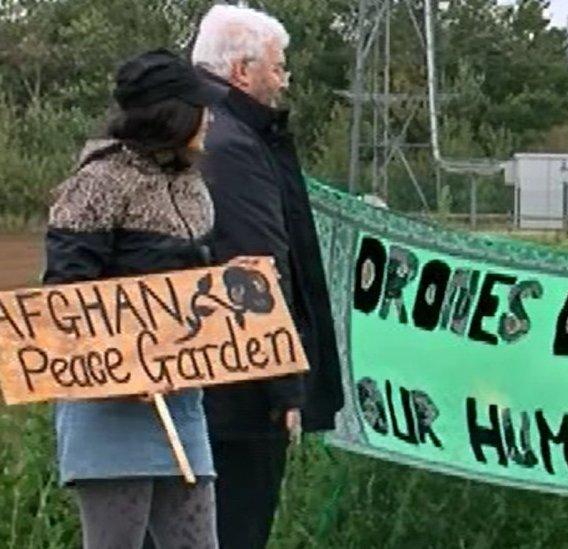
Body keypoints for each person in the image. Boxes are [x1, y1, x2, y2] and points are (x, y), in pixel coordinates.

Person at [44, 49, 223, 548]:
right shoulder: (97, 183)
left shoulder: (193, 186)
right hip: (111, 407)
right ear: (174, 114)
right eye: (201, 107)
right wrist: (122, 364)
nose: (211, 118)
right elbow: (66, 293)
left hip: (182, 401)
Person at [190, 5, 344, 547]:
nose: (283, 82)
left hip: (207, 382)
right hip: (239, 393)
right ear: (241, 70)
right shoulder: (231, 144)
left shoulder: (200, 129)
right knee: (236, 526)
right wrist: (287, 387)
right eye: (278, 68)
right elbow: (257, 269)